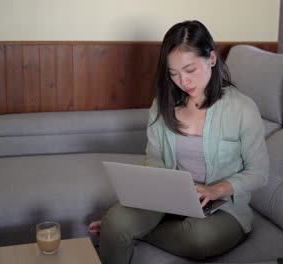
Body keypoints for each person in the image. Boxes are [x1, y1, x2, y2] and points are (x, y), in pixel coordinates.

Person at [88, 20, 269, 264]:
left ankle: (126, 234)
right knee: (118, 220)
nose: (183, 81)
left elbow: (259, 172)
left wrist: (216, 189)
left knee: (199, 238)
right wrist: (162, 186)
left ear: (212, 59)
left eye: (190, 70)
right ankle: (119, 230)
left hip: (223, 207)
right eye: (173, 73)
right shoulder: (162, 105)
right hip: (170, 199)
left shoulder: (242, 108)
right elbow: (153, 154)